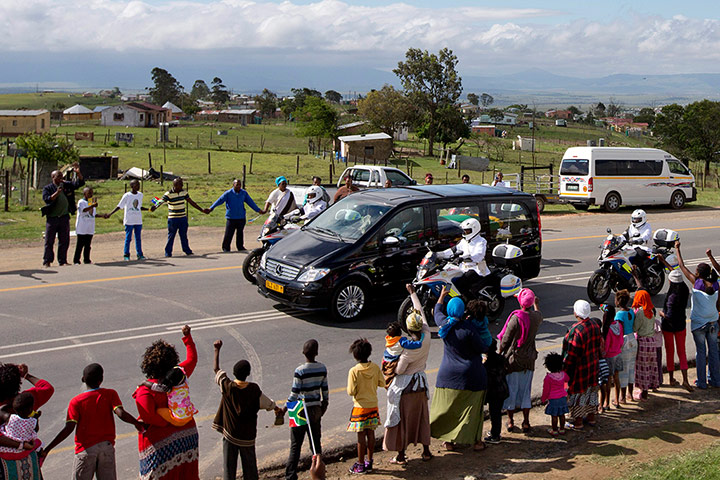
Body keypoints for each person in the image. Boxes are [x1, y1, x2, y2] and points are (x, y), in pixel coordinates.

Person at [39, 363, 145, 479]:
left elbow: (69, 428)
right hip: (107, 448)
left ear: (83, 379)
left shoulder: (76, 402)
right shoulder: (110, 394)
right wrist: (137, 423)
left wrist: (48, 449)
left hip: (86, 450)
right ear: (101, 379)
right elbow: (121, 413)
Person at [134, 325, 199, 479]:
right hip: (188, 435)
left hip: (161, 445)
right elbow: (192, 359)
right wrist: (187, 337)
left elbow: (149, 417)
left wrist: (167, 423)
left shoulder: (144, 390)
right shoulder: (179, 375)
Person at [430, 286, 489, 451]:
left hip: (447, 376)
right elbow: (483, 347)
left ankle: (448, 441)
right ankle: (476, 442)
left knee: (448, 410)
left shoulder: (444, 326)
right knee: (472, 411)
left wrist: (442, 296)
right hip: (472, 377)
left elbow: (437, 311)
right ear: (463, 312)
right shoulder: (468, 329)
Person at [212, 340, 280, 480]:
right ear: (248, 373)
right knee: (250, 468)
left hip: (230, 435)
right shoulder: (254, 390)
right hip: (247, 438)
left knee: (229, 467)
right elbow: (268, 404)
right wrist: (277, 409)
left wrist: (217, 350)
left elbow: (216, 369)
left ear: (233, 373)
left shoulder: (228, 387)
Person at [383, 284, 432, 464]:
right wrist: (412, 294)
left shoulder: (408, 350)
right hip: (420, 385)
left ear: (408, 329)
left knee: (402, 420)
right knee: (422, 418)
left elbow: (399, 371)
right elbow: (421, 312)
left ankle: (401, 454)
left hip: (405, 387)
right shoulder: (426, 337)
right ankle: (426, 451)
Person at [498, 288, 542, 433]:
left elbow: (506, 340)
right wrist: (536, 304)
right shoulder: (535, 317)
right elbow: (539, 315)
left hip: (513, 360)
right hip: (529, 361)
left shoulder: (516, 318)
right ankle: (526, 422)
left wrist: (500, 352)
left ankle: (510, 422)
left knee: (512, 390)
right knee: (525, 392)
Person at [677, 243, 720, 389]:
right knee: (713, 352)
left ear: (698, 273)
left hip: (699, 324)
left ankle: (702, 382)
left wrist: (677, 249)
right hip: (713, 322)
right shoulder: (716, 284)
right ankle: (716, 380)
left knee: (701, 353)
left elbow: (682, 267)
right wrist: (710, 256)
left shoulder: (697, 283)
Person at [285, 340, 329, 480]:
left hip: (299, 409)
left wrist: (284, 409)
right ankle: (319, 470)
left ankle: (291, 475)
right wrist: (323, 406)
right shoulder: (322, 368)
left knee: (295, 445)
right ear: (316, 353)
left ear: (303, 353)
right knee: (316, 443)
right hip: (315, 409)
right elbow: (325, 391)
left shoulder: (300, 371)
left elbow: (294, 394)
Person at [0, 364, 54, 478]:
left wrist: (20, 445)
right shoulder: (26, 400)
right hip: (29, 460)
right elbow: (47, 387)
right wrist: (26, 375)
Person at [346, 339, 384, 474]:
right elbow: (382, 383)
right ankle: (370, 461)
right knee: (371, 434)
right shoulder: (374, 367)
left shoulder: (354, 371)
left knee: (361, 437)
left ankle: (360, 464)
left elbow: (351, 391)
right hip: (373, 406)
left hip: (360, 407)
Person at [562, 300, 602, 430]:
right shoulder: (595, 325)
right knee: (591, 391)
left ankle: (578, 422)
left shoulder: (576, 331)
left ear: (576, 313)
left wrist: (565, 369)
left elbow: (571, 354)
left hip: (580, 369)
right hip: (593, 365)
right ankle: (591, 417)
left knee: (579, 394)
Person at [150, 178, 208, 257]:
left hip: (182, 218)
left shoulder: (184, 193)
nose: (182, 185)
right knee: (171, 236)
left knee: (183, 235)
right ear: (175, 185)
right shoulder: (168, 194)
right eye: (180, 184)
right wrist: (154, 207)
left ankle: (187, 250)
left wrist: (201, 210)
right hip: (173, 219)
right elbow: (161, 201)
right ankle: (168, 253)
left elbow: (191, 202)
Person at [41, 163, 85, 267]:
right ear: (53, 177)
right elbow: (47, 199)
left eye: (62, 176)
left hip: (64, 217)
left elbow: (80, 183)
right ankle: (47, 261)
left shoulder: (66, 185)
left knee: (64, 240)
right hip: (52, 218)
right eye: (58, 176)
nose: (61, 178)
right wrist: (56, 193)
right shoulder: (48, 188)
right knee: (49, 241)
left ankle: (63, 260)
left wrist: (78, 174)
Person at [437, 217, 490, 298]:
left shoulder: (481, 241)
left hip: (476, 268)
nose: (465, 232)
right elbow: (453, 250)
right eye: (464, 230)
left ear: (474, 229)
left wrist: (462, 258)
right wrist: (439, 254)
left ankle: (469, 301)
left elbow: (478, 255)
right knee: (448, 278)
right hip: (462, 267)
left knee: (461, 283)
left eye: (467, 230)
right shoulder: (464, 241)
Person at [207, 179, 264, 252]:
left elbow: (250, 202)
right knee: (229, 233)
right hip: (231, 217)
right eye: (237, 185)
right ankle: (226, 248)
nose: (238, 186)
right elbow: (220, 200)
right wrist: (211, 208)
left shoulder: (243, 193)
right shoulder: (228, 193)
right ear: (233, 185)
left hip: (241, 217)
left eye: (240, 185)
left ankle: (240, 247)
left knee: (240, 233)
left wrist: (258, 210)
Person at [659, 269, 693, 391]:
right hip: (681, 325)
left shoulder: (672, 297)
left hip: (669, 326)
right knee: (681, 352)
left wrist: (662, 313)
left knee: (670, 352)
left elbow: (669, 315)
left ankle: (671, 378)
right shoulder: (684, 290)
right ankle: (685, 380)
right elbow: (678, 274)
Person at [105, 179, 147, 261]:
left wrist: (149, 209)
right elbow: (119, 206)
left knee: (138, 238)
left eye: (138, 185)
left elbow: (139, 207)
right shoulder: (127, 196)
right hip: (129, 220)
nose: (138, 186)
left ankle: (140, 254)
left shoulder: (140, 195)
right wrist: (110, 213)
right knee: (128, 238)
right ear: (131, 186)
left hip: (138, 220)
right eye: (136, 185)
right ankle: (126, 254)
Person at [633, 288, 660, 400]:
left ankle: (643, 391)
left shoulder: (640, 313)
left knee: (642, 367)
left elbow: (635, 328)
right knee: (651, 365)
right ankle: (650, 386)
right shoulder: (651, 312)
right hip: (652, 341)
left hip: (643, 342)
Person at [382, 322, 423, 388]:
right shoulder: (401, 341)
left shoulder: (388, 339)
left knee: (388, 374)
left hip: (386, 358)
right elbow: (411, 345)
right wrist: (419, 343)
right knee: (392, 376)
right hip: (393, 361)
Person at [483, 340, 508, 444]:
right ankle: (495, 432)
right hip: (502, 389)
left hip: (494, 392)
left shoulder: (487, 364)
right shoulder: (501, 359)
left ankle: (495, 435)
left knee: (494, 414)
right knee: (497, 413)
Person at [600, 304, 624, 410]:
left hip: (609, 356)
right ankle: (617, 400)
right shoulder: (619, 325)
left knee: (608, 381)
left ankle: (607, 402)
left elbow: (607, 345)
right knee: (617, 378)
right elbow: (621, 340)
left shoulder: (608, 328)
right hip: (618, 354)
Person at [615, 289, 637, 403]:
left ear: (618, 301)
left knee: (623, 370)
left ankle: (622, 397)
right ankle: (630, 394)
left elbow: (618, 329)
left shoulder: (619, 314)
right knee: (631, 368)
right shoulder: (631, 312)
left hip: (624, 341)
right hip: (633, 339)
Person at [541, 353, 569, 437]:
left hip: (553, 399)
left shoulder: (548, 378)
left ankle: (554, 430)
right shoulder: (564, 374)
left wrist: (543, 399)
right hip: (563, 397)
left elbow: (546, 390)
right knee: (562, 414)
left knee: (554, 415)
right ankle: (562, 429)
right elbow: (566, 382)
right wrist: (565, 390)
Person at [73, 187, 97, 265]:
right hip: (82, 226)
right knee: (80, 244)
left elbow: (92, 214)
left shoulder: (91, 201)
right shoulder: (81, 202)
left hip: (89, 226)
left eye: (92, 193)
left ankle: (86, 259)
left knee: (88, 244)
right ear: (84, 194)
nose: (91, 194)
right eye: (89, 193)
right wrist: (92, 206)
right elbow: (84, 210)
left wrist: (102, 215)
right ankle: (76, 260)